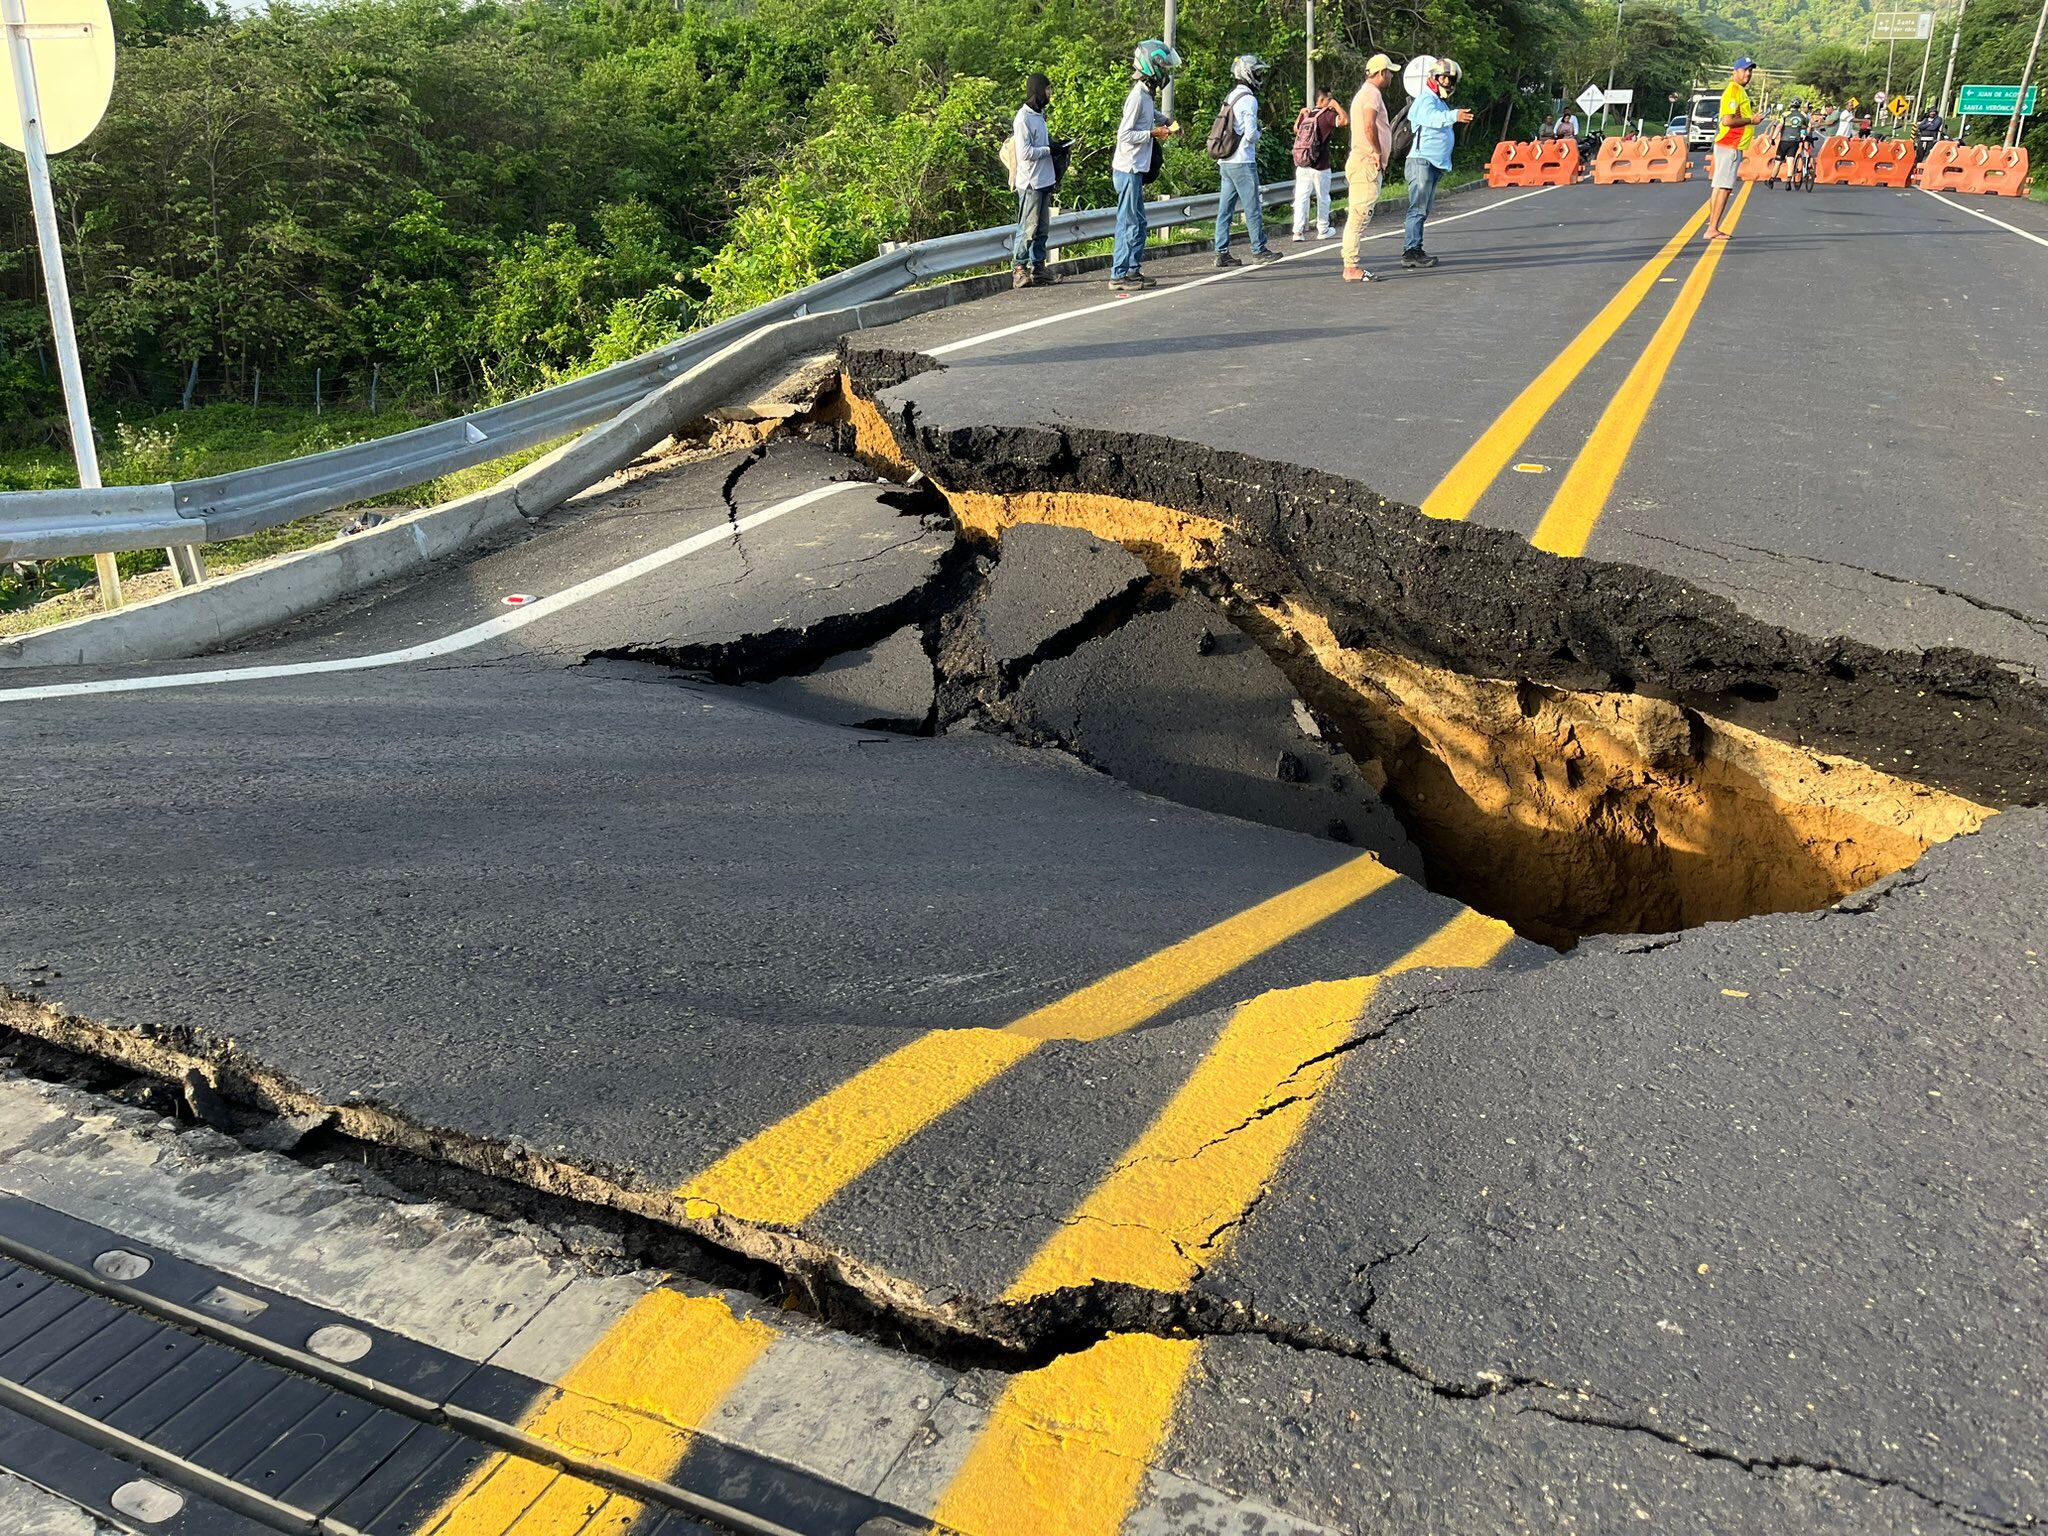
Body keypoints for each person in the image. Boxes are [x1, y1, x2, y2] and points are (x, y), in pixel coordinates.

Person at [1111, 40, 1181, 292]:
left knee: (1138, 222)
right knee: (1129, 222)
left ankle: (1132, 270)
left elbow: (1151, 116)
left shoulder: (1147, 95)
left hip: (1136, 169)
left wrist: (1168, 122)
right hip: (1128, 168)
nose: (1166, 72)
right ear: (1151, 66)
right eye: (1162, 66)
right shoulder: (1137, 96)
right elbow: (1125, 134)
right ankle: (1119, 275)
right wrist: (1152, 134)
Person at [1402, 58, 1473, 269]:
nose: (1448, 83)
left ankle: (1416, 248)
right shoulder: (1426, 99)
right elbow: (1430, 118)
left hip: (1433, 163)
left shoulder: (1440, 101)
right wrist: (1454, 115)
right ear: (1434, 78)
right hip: (1421, 161)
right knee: (1418, 209)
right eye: (1444, 78)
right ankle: (1410, 252)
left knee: (1423, 209)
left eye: (1451, 79)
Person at [1214, 54, 1280, 267]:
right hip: (1242, 161)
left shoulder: (1231, 95)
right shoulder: (1249, 99)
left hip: (1226, 161)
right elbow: (1250, 133)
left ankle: (1221, 252)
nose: (1259, 76)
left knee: (1225, 209)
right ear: (1248, 73)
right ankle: (1258, 249)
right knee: (1252, 207)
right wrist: (1259, 133)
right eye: (1257, 72)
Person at [1342, 53, 1397, 283]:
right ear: (1382, 72)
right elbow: (1368, 125)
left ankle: (1350, 263)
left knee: (1358, 214)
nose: (1392, 76)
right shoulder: (1372, 94)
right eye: (1390, 72)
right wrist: (1377, 151)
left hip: (1361, 161)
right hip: (1366, 162)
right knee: (1359, 216)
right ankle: (1351, 266)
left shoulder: (1365, 92)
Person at [1010, 74, 1056, 289]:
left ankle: (1038, 268)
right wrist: (1050, 150)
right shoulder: (1023, 118)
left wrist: (1057, 146)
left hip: (1045, 178)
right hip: (1030, 182)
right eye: (1047, 89)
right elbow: (1025, 152)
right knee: (1028, 228)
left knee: (1042, 229)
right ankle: (1019, 268)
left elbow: (1042, 142)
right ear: (1038, 90)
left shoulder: (1040, 114)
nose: (1050, 94)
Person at [1705, 58, 1756, 242]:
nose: (1748, 74)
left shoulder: (1738, 90)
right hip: (1731, 144)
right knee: (1725, 188)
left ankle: (1712, 225)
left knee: (1719, 186)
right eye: (1744, 70)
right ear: (1735, 71)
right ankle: (1712, 228)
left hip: (1728, 145)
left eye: (1750, 71)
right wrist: (1752, 120)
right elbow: (1728, 120)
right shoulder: (1734, 90)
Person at [1290, 84, 1349, 242]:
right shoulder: (1327, 116)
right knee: (1323, 197)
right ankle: (1323, 229)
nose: (1330, 101)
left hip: (1303, 163)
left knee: (1302, 197)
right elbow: (1344, 121)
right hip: (1321, 165)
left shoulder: (1307, 114)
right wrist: (1336, 106)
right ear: (1322, 99)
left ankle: (1298, 232)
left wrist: (1300, 114)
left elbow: (1296, 129)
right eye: (1329, 98)